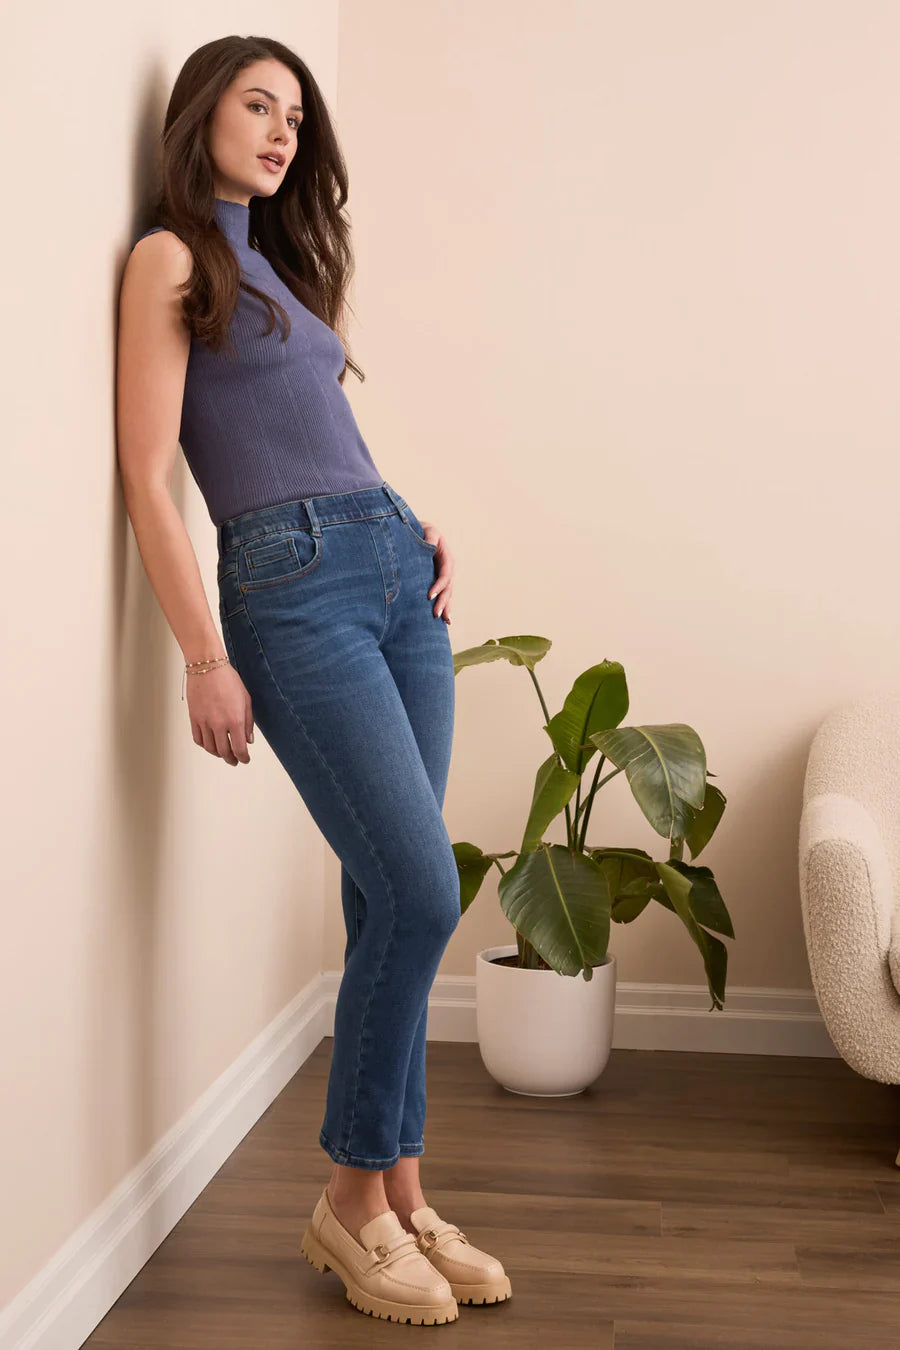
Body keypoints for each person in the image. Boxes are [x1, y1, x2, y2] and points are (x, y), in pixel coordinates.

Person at [116, 33, 511, 1326]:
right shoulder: (171, 258)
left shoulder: (282, 264)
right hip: (286, 590)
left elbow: (314, 429)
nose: (283, 131)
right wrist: (205, 656)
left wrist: (414, 518)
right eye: (258, 105)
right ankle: (347, 1201)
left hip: (393, 566)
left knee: (381, 892)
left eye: (296, 114)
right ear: (204, 115)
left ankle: (399, 1185)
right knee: (421, 886)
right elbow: (149, 476)